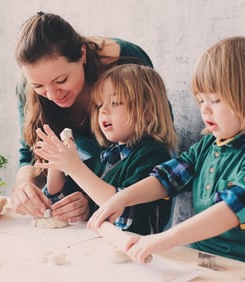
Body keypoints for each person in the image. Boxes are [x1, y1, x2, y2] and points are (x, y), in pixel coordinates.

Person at [87, 36, 245, 262]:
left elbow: (231, 209)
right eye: (200, 101)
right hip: (204, 257)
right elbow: (166, 179)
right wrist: (121, 199)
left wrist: (168, 238)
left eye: (215, 100)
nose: (205, 111)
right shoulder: (207, 145)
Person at [11, 11, 157, 221]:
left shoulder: (127, 62)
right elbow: (30, 152)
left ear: (82, 54)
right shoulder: (26, 88)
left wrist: (91, 199)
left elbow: (150, 144)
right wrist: (23, 185)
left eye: (61, 80)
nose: (52, 95)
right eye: (38, 86)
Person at [34, 64, 177, 235]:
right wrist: (57, 163)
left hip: (137, 251)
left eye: (115, 103)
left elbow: (121, 213)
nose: (104, 110)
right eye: (99, 105)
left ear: (147, 110)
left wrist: (75, 168)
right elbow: (59, 198)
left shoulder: (153, 154)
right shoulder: (108, 156)